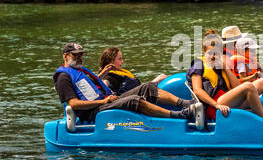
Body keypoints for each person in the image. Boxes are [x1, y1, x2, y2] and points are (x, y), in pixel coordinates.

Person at [53, 43, 200, 129]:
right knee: (133, 99)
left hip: (106, 101)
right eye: (75, 55)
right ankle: (178, 115)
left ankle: (187, 104)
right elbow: (73, 103)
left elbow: (93, 86)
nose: (79, 58)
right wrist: (103, 101)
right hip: (92, 111)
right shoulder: (63, 77)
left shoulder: (80, 71)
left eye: (81, 55)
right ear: (65, 56)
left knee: (147, 87)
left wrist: (105, 86)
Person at [186, 33, 263, 128]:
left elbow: (235, 86)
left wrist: (225, 68)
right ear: (204, 51)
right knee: (248, 86)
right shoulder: (198, 63)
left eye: (216, 53)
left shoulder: (219, 65)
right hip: (215, 106)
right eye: (210, 53)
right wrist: (216, 105)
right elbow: (197, 90)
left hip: (227, 101)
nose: (213, 56)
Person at [97, 46, 167, 96]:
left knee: (162, 76)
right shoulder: (107, 77)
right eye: (120, 59)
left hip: (140, 90)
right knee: (162, 77)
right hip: (136, 95)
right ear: (111, 61)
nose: (122, 62)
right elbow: (103, 89)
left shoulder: (121, 72)